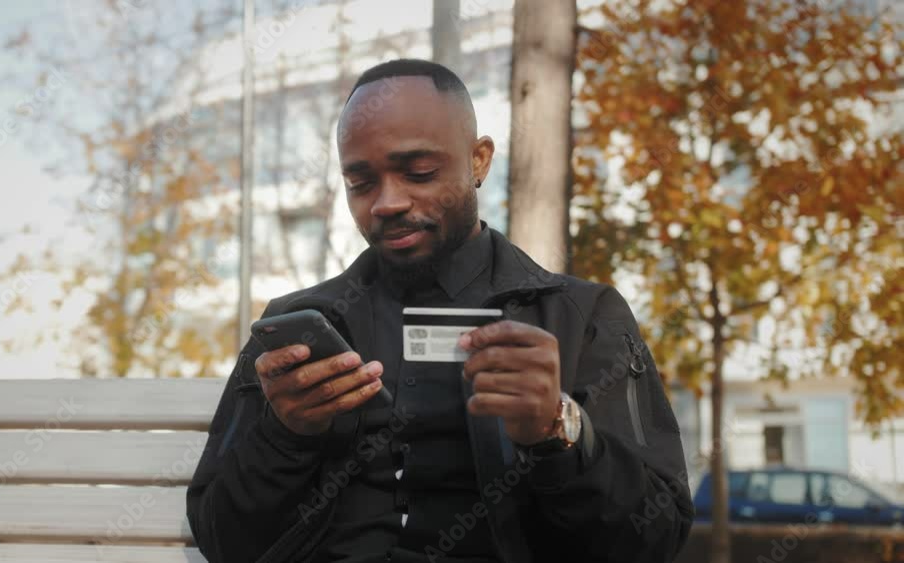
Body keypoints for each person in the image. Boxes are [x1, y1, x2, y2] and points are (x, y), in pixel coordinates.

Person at [186, 58, 693, 563]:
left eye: (419, 172)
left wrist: (560, 431)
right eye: (361, 183)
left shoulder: (579, 316)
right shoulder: (300, 329)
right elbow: (224, 542)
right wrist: (285, 435)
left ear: (478, 161)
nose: (388, 202)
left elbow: (654, 538)